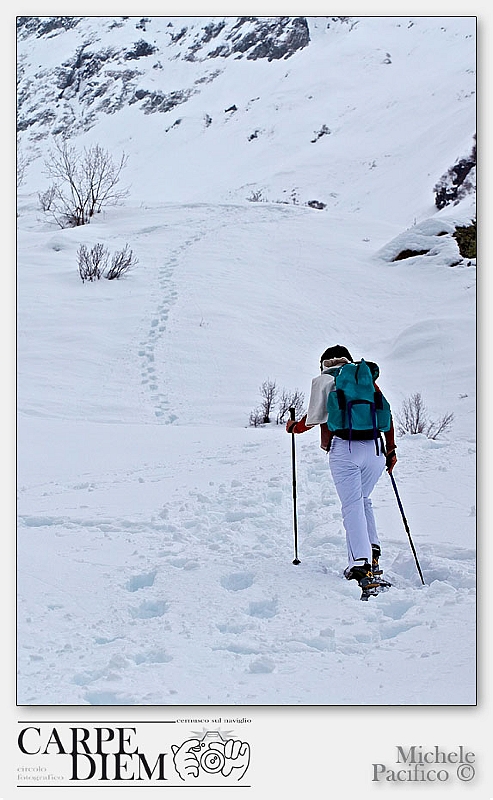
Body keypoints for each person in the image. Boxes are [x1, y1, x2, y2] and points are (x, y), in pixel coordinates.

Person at [286, 345, 397, 594]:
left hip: (345, 448)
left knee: (352, 505)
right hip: (376, 448)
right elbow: (385, 413)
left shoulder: (325, 379)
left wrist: (293, 427)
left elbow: (314, 417)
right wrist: (391, 450)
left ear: (324, 363)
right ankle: (372, 549)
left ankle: (360, 565)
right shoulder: (364, 377)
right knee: (363, 500)